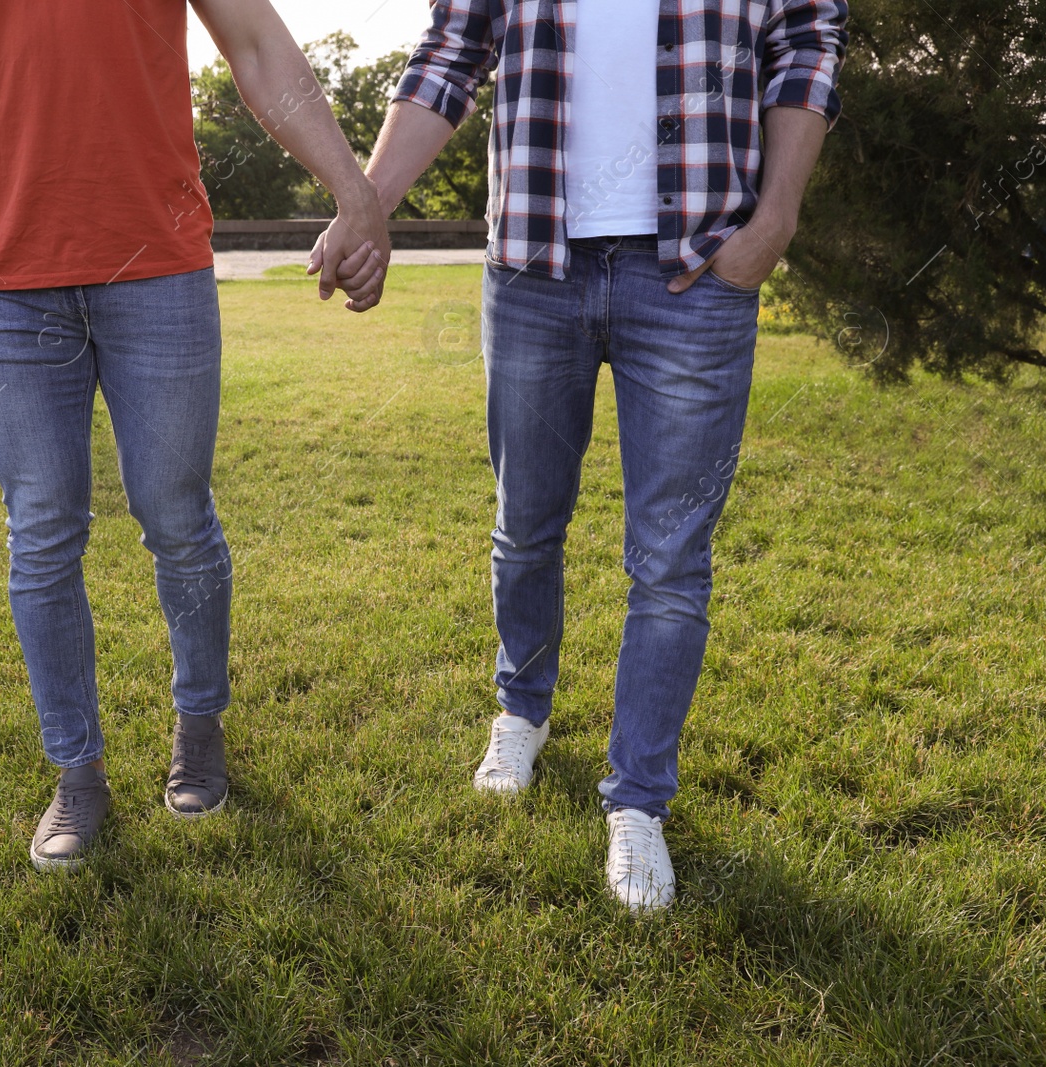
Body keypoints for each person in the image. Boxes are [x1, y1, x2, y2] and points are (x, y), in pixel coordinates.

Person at [330, 0, 847, 909]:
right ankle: (522, 709)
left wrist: (776, 222)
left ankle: (638, 801)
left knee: (672, 563)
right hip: (535, 265)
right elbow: (451, 53)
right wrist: (367, 205)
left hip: (694, 269)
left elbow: (805, 41)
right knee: (525, 522)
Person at [0, 0, 388, 871]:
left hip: (158, 268)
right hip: (5, 282)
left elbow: (257, 46)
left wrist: (355, 188)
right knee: (41, 532)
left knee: (178, 516)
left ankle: (199, 723)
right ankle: (77, 771)